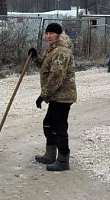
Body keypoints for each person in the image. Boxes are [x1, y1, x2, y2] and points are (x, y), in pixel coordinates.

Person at [27, 23, 77, 171]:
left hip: (62, 96)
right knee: (49, 124)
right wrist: (36, 57)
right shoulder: (54, 50)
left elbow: (56, 76)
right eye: (47, 33)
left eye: (51, 33)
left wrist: (43, 95)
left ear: (58, 34)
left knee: (58, 127)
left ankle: (63, 159)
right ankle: (50, 154)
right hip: (56, 95)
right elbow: (46, 66)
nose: (48, 36)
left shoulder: (61, 51)